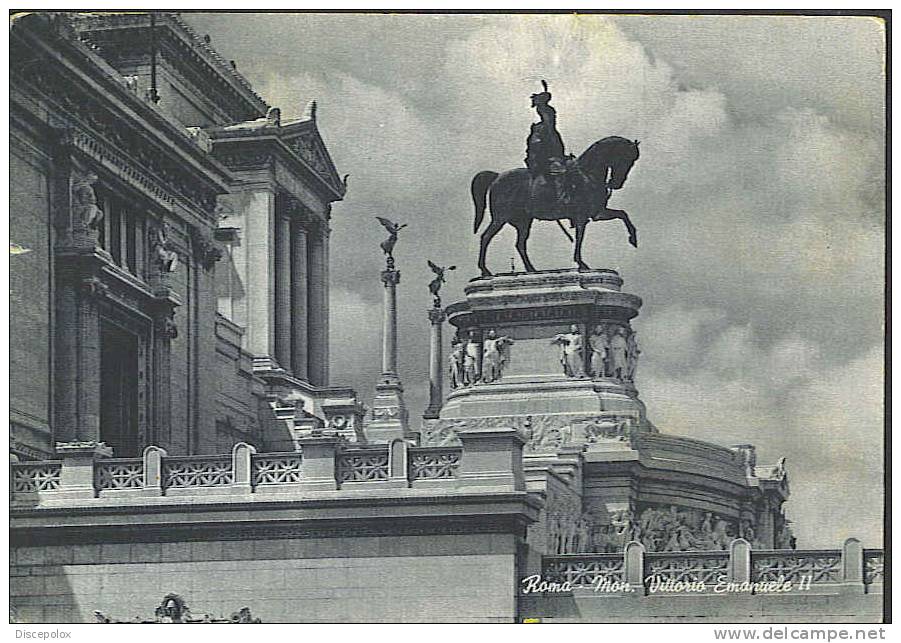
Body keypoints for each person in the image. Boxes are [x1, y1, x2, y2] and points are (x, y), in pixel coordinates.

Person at [525, 80, 567, 204]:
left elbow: (557, 149)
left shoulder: (550, 133)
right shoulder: (540, 131)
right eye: (549, 116)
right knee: (559, 172)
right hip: (542, 162)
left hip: (551, 158)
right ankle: (561, 198)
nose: (552, 118)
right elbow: (535, 151)